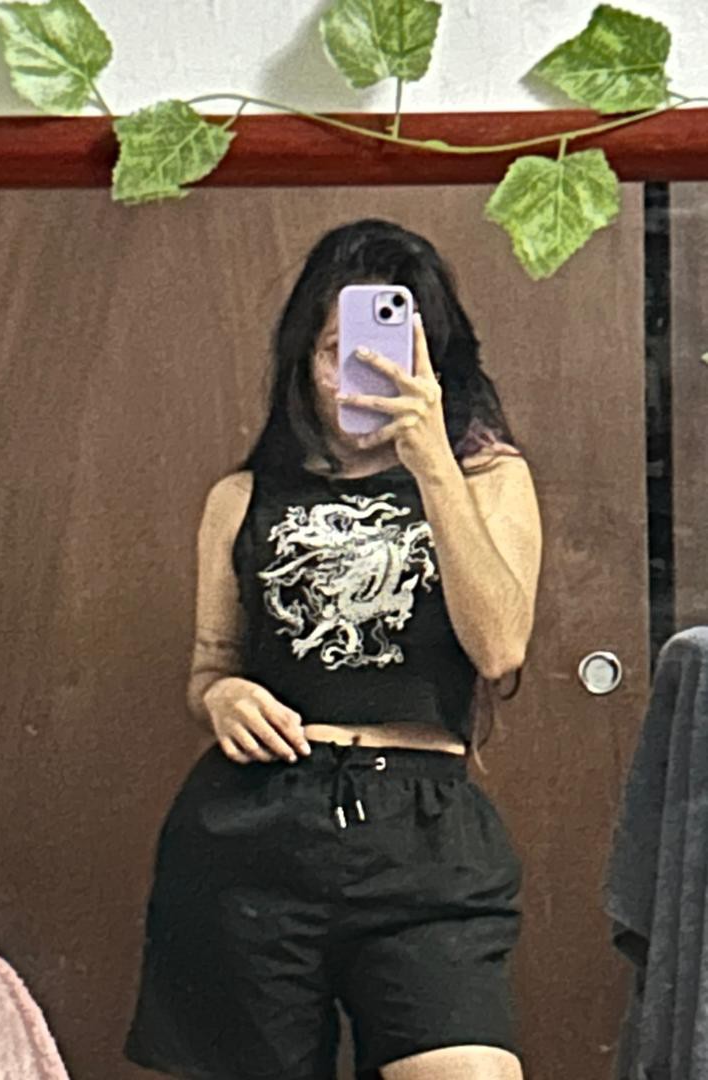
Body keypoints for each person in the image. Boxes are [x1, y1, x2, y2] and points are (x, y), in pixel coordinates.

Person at [124, 219, 543, 1080]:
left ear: (435, 363)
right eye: (337, 352)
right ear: (303, 361)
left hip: (425, 835)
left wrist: (433, 461)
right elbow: (211, 667)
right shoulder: (239, 498)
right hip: (254, 831)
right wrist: (221, 698)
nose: (364, 375)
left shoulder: (490, 481)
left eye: (396, 354)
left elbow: (501, 649)